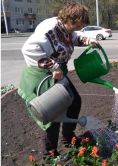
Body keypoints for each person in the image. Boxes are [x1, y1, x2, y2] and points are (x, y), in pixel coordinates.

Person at [18, 3, 97, 157]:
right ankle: (50, 153)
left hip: (57, 73)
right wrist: (54, 66)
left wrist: (86, 40)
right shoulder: (49, 29)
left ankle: (69, 138)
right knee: (53, 114)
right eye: (78, 25)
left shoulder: (66, 28)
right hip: (41, 74)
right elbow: (28, 49)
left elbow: (72, 38)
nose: (78, 28)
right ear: (69, 19)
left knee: (74, 101)